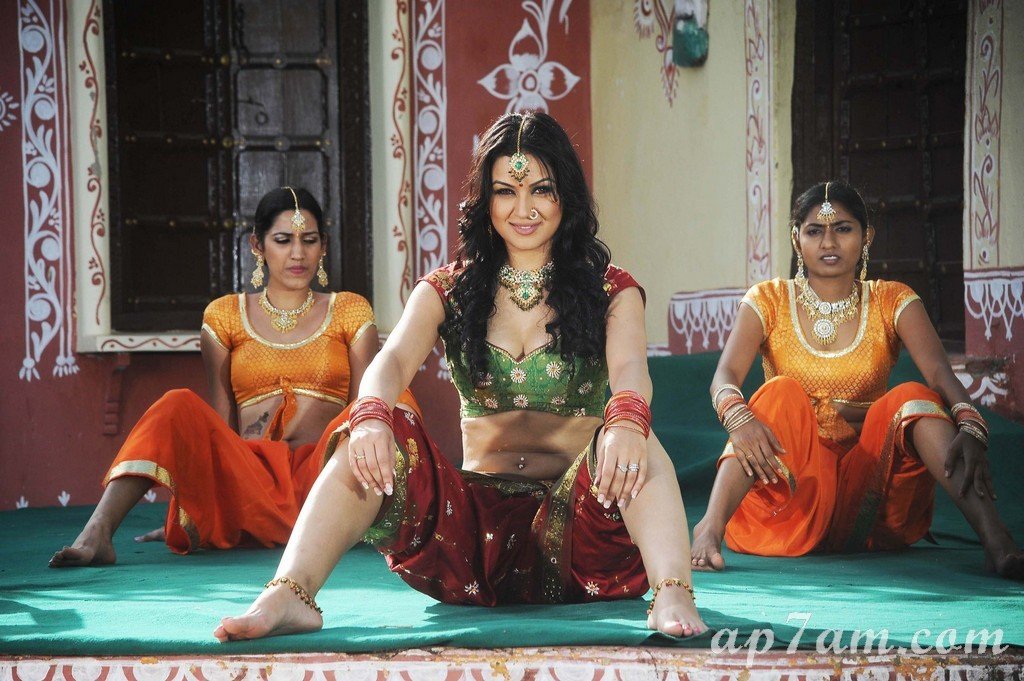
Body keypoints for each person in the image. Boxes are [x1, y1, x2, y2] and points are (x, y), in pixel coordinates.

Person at [212, 112, 707, 642]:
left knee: (632, 430)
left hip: (584, 535)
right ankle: (291, 592)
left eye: (541, 190)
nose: (523, 209)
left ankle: (672, 591)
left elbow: (631, 371)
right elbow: (391, 361)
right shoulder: (448, 288)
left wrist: (627, 419)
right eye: (505, 191)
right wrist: (372, 415)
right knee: (369, 428)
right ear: (484, 200)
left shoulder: (610, 289)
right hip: (471, 540)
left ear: (567, 195)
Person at [50, 187, 416, 566]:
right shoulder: (224, 314)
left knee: (389, 399)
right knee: (176, 404)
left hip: (326, 478)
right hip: (250, 484)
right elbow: (220, 425)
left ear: (323, 245)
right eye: (283, 240)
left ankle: (380, 514)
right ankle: (98, 532)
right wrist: (197, 505)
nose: (298, 253)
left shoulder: (349, 310)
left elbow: (363, 408)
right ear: (257, 245)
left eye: (309, 240)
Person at [689, 180, 1024, 579]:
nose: (828, 242)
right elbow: (724, 375)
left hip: (869, 499)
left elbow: (938, 372)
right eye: (814, 231)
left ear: (867, 236)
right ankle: (709, 528)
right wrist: (738, 419)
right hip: (788, 501)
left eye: (843, 228)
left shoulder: (891, 300)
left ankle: (997, 541)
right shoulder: (769, 300)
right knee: (779, 393)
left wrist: (969, 421)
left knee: (913, 396)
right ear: (797, 239)